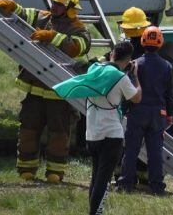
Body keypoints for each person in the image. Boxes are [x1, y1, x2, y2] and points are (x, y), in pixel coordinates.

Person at [0, 0, 91, 182]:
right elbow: (27, 14)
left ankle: (55, 172)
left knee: (59, 133)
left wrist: (53, 37)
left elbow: (79, 46)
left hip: (59, 92)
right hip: (35, 87)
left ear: (69, 7)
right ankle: (26, 169)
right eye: (53, 3)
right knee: (29, 128)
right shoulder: (44, 18)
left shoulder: (79, 28)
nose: (53, 7)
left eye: (58, 4)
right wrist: (13, 7)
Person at [53, 40, 142, 215]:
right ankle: (95, 213)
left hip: (92, 134)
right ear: (129, 59)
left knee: (95, 177)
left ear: (112, 54)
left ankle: (92, 211)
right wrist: (136, 77)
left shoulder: (95, 70)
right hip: (112, 135)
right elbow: (136, 98)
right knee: (103, 180)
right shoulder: (121, 78)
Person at [118, 27, 173, 195]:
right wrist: (170, 115)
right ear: (160, 42)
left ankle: (126, 184)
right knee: (155, 152)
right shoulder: (167, 66)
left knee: (131, 150)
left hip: (137, 112)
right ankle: (157, 187)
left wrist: (124, 109)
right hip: (158, 114)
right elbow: (170, 95)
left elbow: (128, 91)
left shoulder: (135, 64)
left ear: (143, 41)